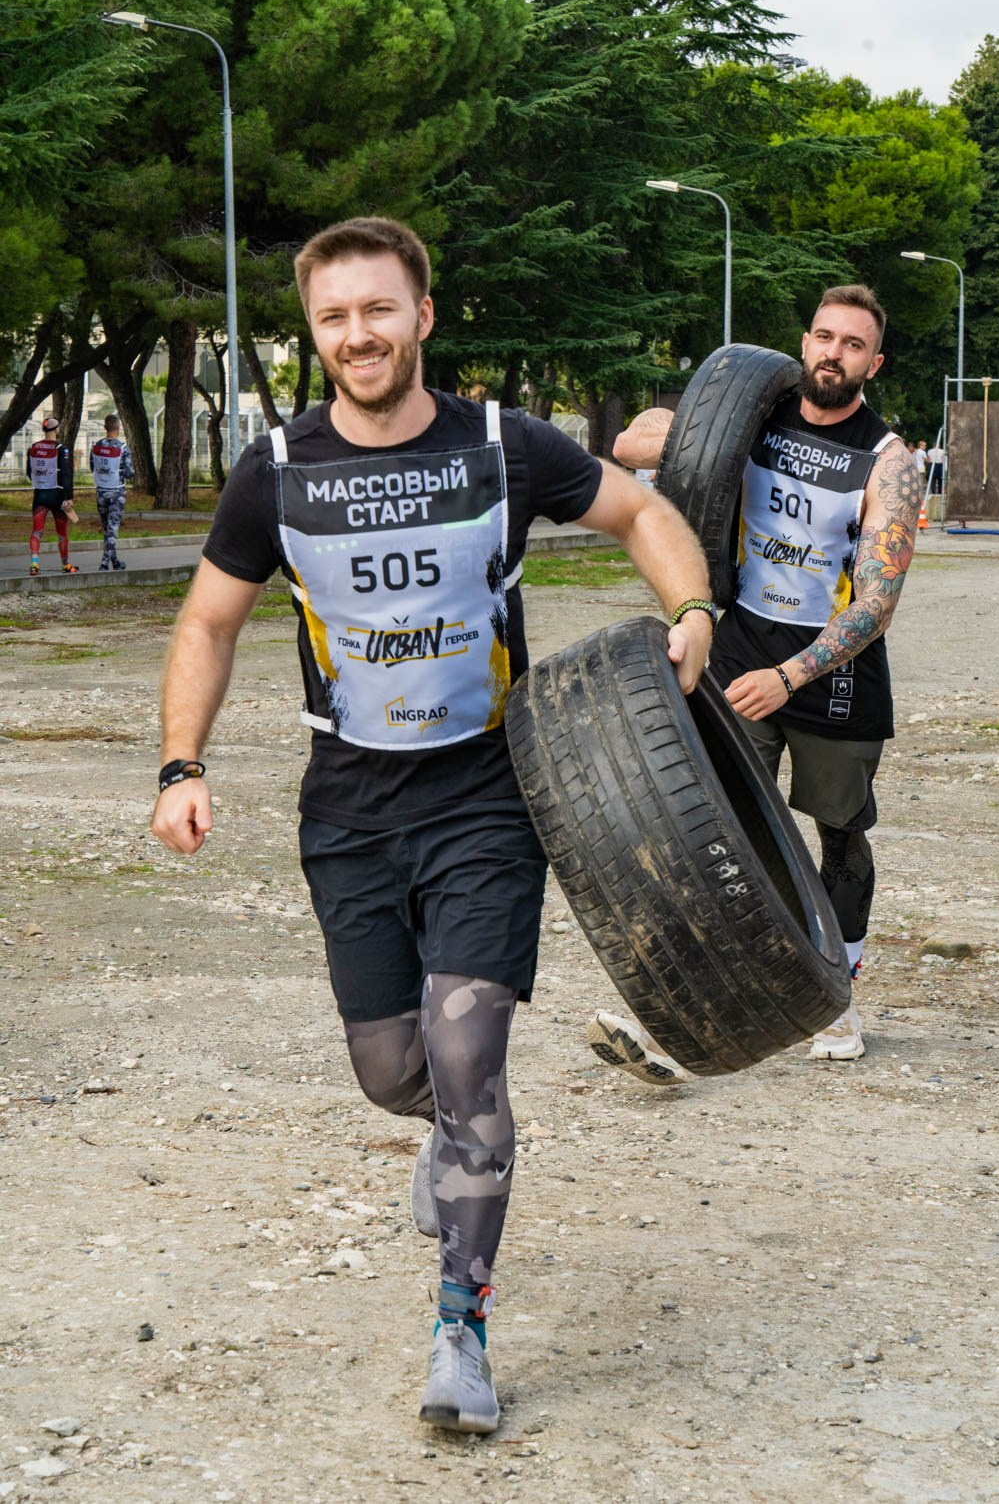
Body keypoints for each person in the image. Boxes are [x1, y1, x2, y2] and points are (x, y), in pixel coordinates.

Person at [150, 216, 714, 1435]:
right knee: (390, 1072)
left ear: (422, 316)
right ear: (317, 333)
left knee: (468, 1062)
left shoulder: (504, 447)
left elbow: (638, 513)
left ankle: (461, 1325)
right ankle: (454, 1137)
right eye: (334, 318)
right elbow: (207, 623)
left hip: (485, 798)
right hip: (348, 809)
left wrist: (693, 606)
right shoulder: (275, 471)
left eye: (379, 310)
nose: (359, 336)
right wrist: (180, 764)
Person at [587, 285, 920, 1077]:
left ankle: (837, 1003)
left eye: (852, 344)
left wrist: (791, 675)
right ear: (804, 343)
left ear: (875, 362)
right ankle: (688, 1013)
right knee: (715, 830)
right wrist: (693, 430)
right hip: (737, 653)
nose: (832, 354)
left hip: (833, 672)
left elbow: (878, 601)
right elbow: (634, 445)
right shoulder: (750, 422)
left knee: (839, 836)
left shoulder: (888, 461)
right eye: (823, 337)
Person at [27, 416, 78, 575]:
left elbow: (29, 472)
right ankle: (66, 565)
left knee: (37, 531)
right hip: (57, 495)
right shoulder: (61, 448)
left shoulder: (33, 447)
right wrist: (69, 496)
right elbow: (65, 474)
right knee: (62, 533)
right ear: (56, 429)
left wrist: (41, 482)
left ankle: (34, 564)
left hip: (40, 494)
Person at [90, 414, 135, 570]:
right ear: (118, 428)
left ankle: (115, 561)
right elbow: (129, 472)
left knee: (106, 529)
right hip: (116, 492)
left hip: (101, 492)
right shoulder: (122, 448)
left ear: (105, 427)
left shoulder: (96, 446)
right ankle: (104, 563)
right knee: (113, 528)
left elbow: (92, 467)